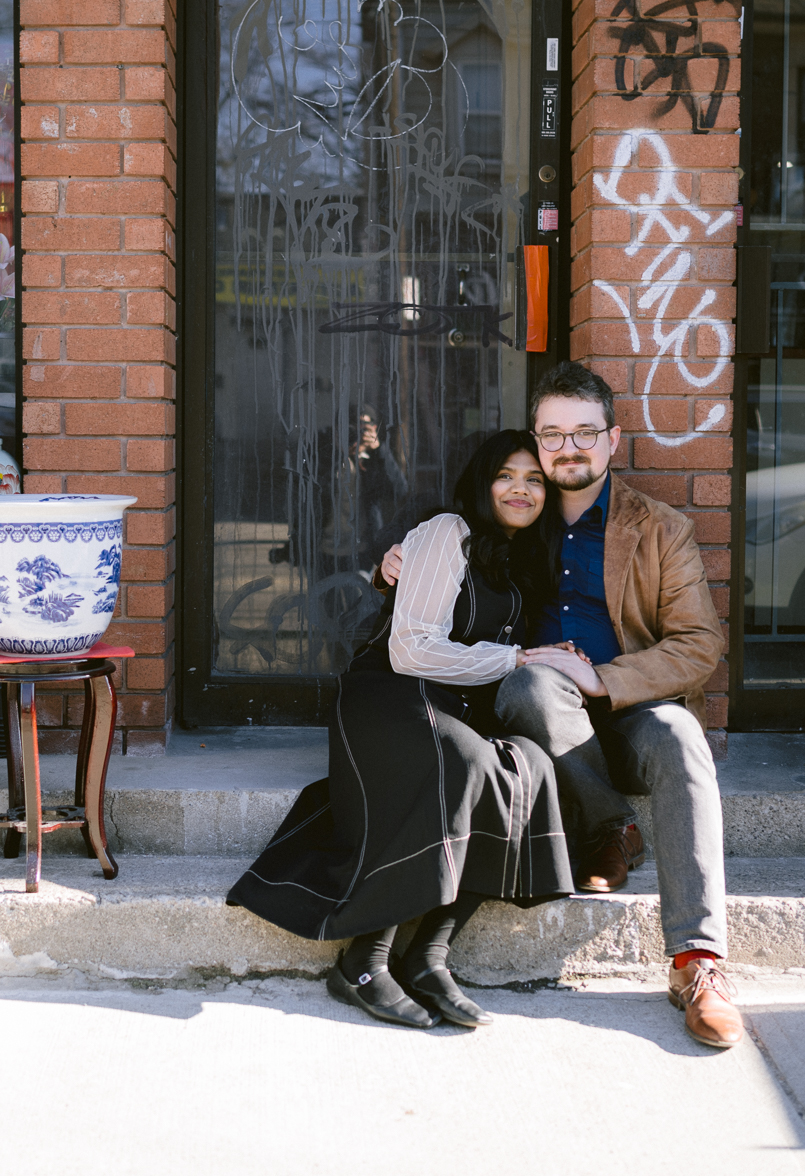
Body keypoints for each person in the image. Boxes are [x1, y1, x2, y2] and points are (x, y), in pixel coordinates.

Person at [377, 362, 739, 1049]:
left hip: (628, 714)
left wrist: (603, 678)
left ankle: (699, 964)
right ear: (536, 442)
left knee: (682, 736)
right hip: (534, 719)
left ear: (612, 439)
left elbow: (699, 644)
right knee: (534, 684)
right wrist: (397, 562)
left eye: (584, 433)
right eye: (552, 435)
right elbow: (451, 561)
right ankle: (613, 827)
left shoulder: (660, 529)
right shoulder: (518, 517)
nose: (567, 448)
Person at [227, 430, 574, 1030]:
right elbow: (411, 649)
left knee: (528, 765)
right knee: (463, 761)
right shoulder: (448, 532)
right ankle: (363, 962)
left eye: (533, 479)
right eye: (506, 476)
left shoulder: (526, 557)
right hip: (388, 696)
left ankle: (428, 960)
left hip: (454, 707)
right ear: (481, 483)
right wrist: (516, 659)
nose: (520, 489)